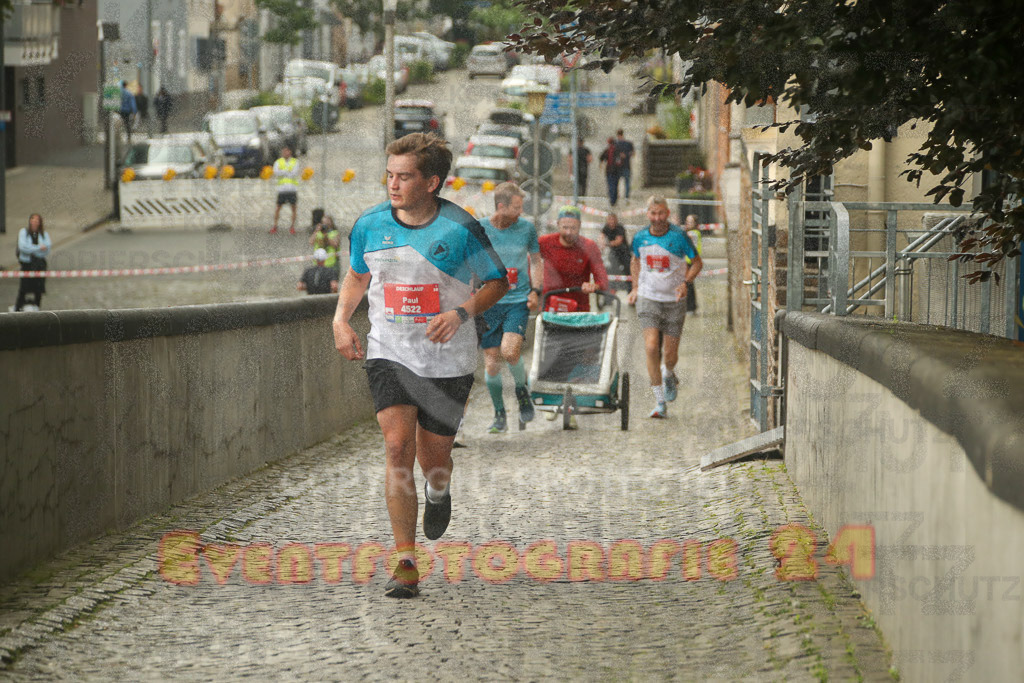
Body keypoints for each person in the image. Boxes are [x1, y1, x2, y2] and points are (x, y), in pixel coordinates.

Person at [332, 132, 508, 599]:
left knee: (434, 460)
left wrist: (460, 313)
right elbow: (356, 276)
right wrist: (340, 320)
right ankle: (405, 560)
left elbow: (497, 282)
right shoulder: (369, 224)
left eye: (404, 177)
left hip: (447, 359)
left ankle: (438, 489)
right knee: (396, 448)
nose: (392, 185)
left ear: (431, 182)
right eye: (389, 175)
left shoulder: (460, 228)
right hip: (389, 350)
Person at [628, 196, 703, 419]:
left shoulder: (679, 237)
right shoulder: (640, 237)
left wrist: (685, 283)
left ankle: (669, 373)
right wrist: (634, 287)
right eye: (653, 213)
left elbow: (697, 262)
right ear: (647, 214)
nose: (657, 218)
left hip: (674, 301)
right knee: (651, 347)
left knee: (670, 355)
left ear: (668, 213)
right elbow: (635, 260)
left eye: (661, 213)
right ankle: (660, 402)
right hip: (648, 298)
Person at [478, 182, 542, 434]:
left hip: (517, 299)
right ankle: (499, 413)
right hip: (489, 301)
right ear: (501, 206)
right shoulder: (481, 228)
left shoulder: (526, 228)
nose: (521, 212)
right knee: (492, 362)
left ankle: (521, 391)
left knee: (510, 351)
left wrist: (536, 290)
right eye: (516, 207)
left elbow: (536, 261)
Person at [535, 205, 609, 313]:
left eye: (573, 228)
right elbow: (530, 261)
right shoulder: (545, 242)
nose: (569, 232)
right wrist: (535, 286)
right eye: (565, 227)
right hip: (550, 305)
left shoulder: (589, 246)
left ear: (579, 226)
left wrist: (594, 285)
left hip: (578, 308)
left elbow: (602, 279)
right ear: (558, 224)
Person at [13, 213, 51, 311]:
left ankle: (37, 308)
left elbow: (47, 248)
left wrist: (32, 250)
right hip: (27, 264)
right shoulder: (24, 232)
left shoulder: (43, 234)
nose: (34, 222)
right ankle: (17, 308)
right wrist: (38, 248)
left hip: (39, 265)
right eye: (33, 220)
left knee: (38, 288)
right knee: (23, 288)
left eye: (37, 220)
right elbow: (23, 247)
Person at [270, 146, 299, 234]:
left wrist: (283, 171)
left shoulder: (295, 161)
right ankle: (275, 225)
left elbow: (294, 173)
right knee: (278, 207)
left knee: (293, 208)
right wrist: (287, 171)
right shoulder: (278, 162)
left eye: (287, 151)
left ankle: (292, 226)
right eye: (284, 151)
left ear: (290, 152)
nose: (285, 153)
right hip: (282, 189)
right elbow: (276, 172)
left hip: (292, 188)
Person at [600, 212, 632, 291]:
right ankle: (612, 291)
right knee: (611, 271)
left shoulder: (619, 228)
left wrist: (606, 244)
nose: (611, 222)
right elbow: (601, 237)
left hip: (624, 252)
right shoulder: (606, 227)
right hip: (614, 253)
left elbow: (618, 241)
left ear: (616, 220)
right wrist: (601, 243)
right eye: (609, 219)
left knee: (628, 271)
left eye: (613, 219)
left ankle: (630, 291)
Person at [683, 214, 704, 314]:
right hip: (687, 261)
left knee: (689, 284)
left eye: (690, 222)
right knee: (688, 284)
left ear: (695, 224)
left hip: (691, 262)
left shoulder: (694, 233)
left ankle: (691, 307)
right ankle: (690, 306)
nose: (688, 224)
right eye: (687, 221)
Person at [598, 137, 620, 206]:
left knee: (610, 185)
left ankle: (612, 200)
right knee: (615, 185)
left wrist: (601, 164)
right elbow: (619, 160)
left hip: (609, 170)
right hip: (616, 170)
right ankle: (614, 200)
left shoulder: (607, 150)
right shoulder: (617, 150)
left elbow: (601, 157)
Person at [615, 129, 635, 201]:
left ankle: (617, 195)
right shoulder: (628, 143)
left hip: (618, 167)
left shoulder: (615, 144)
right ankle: (626, 196)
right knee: (627, 182)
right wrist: (627, 155)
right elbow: (633, 153)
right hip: (626, 165)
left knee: (617, 182)